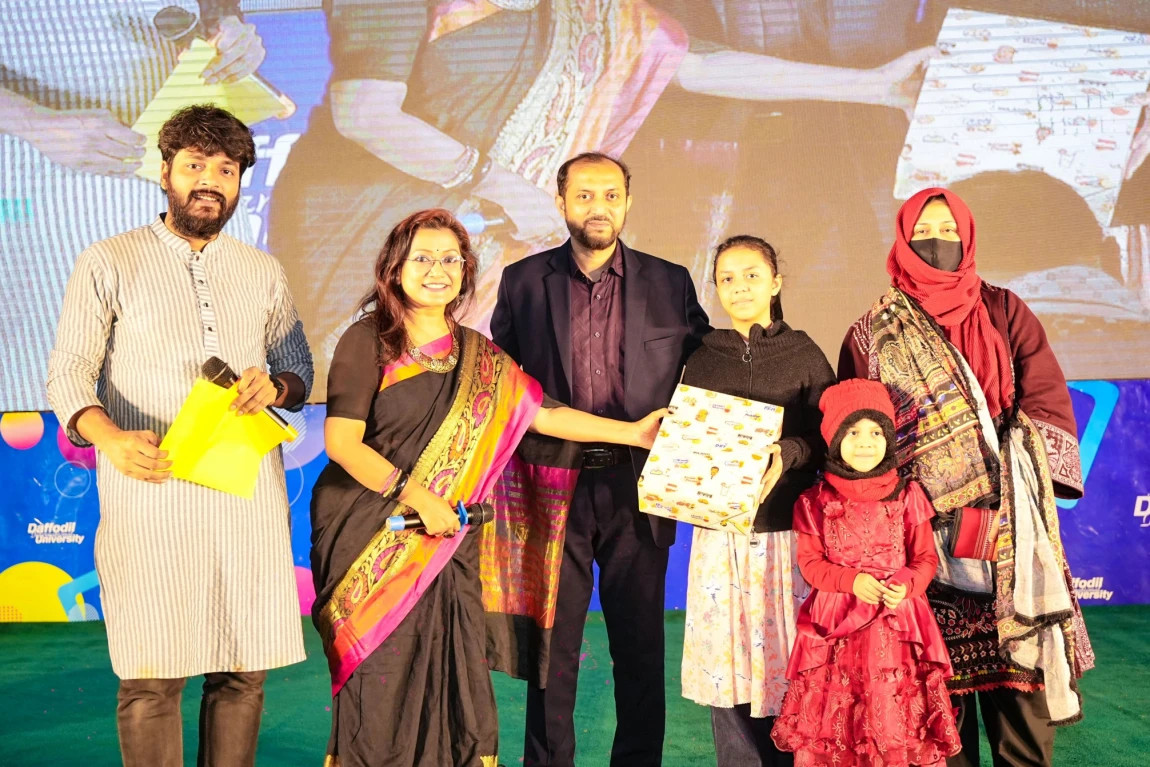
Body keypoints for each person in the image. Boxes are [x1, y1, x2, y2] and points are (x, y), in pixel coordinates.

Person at [310, 207, 670, 767]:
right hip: (375, 532)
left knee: (454, 675)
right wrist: (421, 498)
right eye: (423, 258)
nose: (438, 271)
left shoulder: (477, 354)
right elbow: (342, 443)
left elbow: (543, 414)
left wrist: (631, 432)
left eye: (450, 260)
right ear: (395, 267)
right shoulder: (369, 339)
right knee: (382, 683)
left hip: (448, 540)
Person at [45, 105, 312, 767]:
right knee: (151, 676)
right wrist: (110, 438)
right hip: (150, 492)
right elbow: (68, 373)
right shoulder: (109, 260)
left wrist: (275, 387)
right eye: (195, 165)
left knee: (243, 669)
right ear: (165, 172)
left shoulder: (262, 270)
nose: (209, 181)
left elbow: (299, 368)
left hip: (244, 496)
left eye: (226, 169)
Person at [839, 188, 1094, 767]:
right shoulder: (872, 332)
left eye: (950, 232)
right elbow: (857, 425)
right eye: (925, 232)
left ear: (969, 238)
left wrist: (1014, 483)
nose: (938, 242)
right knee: (936, 703)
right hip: (917, 533)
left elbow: (1044, 394)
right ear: (903, 240)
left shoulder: (1004, 310)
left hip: (1009, 527)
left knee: (1020, 688)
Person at [491, 151, 710, 767]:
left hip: (639, 487)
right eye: (584, 195)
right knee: (552, 653)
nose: (599, 208)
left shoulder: (670, 281)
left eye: (611, 195)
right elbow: (502, 382)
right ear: (561, 202)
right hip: (551, 487)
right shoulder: (522, 281)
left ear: (628, 203)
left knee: (639, 650)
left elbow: (705, 371)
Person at [1, 0, 266, 413]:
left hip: (187, 172)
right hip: (53, 177)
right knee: (65, 393)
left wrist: (227, 24)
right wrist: (36, 123)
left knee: (223, 390)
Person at [677, 235, 835, 766]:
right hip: (719, 540)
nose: (739, 287)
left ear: (775, 283)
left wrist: (789, 452)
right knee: (728, 667)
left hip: (787, 536)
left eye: (751, 275)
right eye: (727, 278)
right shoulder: (702, 358)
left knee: (790, 664)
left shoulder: (804, 353)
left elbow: (833, 436)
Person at [770, 378, 961, 766]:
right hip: (837, 624)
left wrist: (906, 584)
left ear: (889, 438)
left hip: (898, 624)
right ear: (834, 437)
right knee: (838, 720)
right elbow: (811, 564)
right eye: (853, 431)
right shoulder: (813, 500)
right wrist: (851, 581)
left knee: (895, 718)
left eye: (876, 432)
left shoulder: (908, 494)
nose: (865, 442)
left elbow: (925, 559)